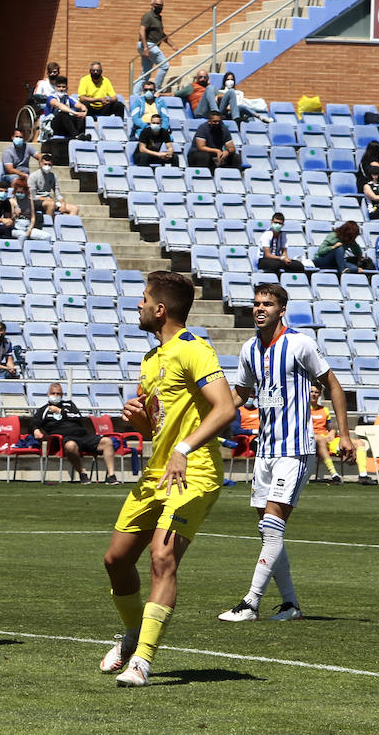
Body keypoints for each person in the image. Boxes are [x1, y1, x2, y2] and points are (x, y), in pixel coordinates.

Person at [99, 271, 235, 687]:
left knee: (162, 558)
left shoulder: (195, 349)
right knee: (116, 560)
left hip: (194, 473)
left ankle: (142, 660)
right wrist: (141, 423)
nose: (137, 306)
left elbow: (226, 409)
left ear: (159, 310)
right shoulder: (150, 360)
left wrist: (183, 449)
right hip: (156, 473)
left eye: (142, 300)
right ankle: (135, 632)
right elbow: (156, 429)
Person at [217, 283, 352, 624]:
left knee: (273, 526)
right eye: (256, 303)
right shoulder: (249, 349)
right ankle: (290, 605)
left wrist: (345, 435)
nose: (260, 309)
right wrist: (208, 418)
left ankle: (251, 603)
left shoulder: (300, 344)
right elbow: (241, 394)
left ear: (281, 309)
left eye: (268, 304)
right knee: (267, 529)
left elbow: (333, 384)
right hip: (266, 450)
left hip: (295, 449)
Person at [31, 383, 119, 485]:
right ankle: (82, 474)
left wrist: (60, 411)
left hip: (83, 435)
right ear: (48, 394)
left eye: (58, 393)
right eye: (53, 393)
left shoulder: (69, 405)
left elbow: (77, 416)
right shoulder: (43, 410)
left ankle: (111, 476)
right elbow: (33, 423)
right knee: (70, 446)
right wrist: (35, 430)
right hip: (65, 439)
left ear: (62, 395)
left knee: (107, 442)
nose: (55, 396)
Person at [311, 383, 377, 485]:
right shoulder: (304, 409)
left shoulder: (324, 410)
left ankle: (363, 476)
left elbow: (331, 427)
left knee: (359, 443)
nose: (314, 394)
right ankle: (334, 476)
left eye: (316, 392)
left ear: (319, 394)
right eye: (312, 392)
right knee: (320, 439)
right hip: (313, 441)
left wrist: (332, 432)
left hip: (327, 440)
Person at [134, 0, 172, 96]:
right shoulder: (148, 16)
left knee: (146, 73)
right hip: (148, 45)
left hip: (150, 46)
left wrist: (172, 45)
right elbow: (141, 31)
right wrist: (146, 47)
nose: (159, 7)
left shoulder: (158, 18)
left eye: (161, 6)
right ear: (152, 5)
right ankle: (157, 89)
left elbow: (162, 34)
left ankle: (135, 95)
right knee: (164, 66)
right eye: (157, 5)